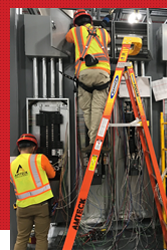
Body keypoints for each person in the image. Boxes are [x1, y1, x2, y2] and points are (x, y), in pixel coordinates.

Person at [66, 9, 112, 153]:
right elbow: (108, 40)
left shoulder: (75, 31)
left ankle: (92, 141)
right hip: (103, 73)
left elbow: (68, 39)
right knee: (98, 109)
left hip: (84, 73)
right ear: (90, 20)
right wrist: (101, 26)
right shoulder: (104, 33)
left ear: (76, 22)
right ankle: (95, 141)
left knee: (87, 109)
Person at [10, 134, 55, 250]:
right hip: (41, 205)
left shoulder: (11, 165)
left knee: (21, 238)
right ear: (34, 148)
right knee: (41, 238)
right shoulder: (40, 158)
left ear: (19, 148)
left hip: (22, 207)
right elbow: (52, 174)